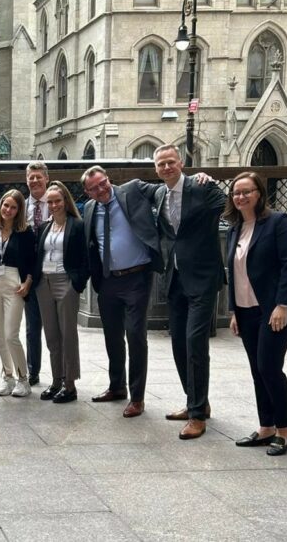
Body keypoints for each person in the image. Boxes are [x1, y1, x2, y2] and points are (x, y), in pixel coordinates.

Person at [225, 171, 287, 456]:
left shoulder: (277, 222)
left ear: (259, 193)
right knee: (257, 370)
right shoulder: (235, 227)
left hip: (274, 310)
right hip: (246, 311)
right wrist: (234, 311)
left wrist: (282, 304)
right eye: (236, 192)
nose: (241, 197)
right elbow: (234, 273)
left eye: (247, 191)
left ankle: (285, 429)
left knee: (270, 368)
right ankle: (266, 427)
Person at [149, 145, 227, 440]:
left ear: (180, 163)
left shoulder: (201, 187)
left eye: (171, 162)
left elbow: (229, 205)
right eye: (161, 164)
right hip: (175, 279)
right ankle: (196, 401)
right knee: (179, 343)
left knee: (196, 343)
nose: (167, 167)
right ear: (156, 169)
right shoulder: (159, 194)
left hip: (203, 277)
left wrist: (209, 178)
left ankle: (197, 416)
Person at [81, 165, 164, 418]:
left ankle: (137, 398)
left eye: (103, 183)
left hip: (137, 277)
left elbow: (166, 190)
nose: (101, 190)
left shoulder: (132, 190)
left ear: (109, 179)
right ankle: (117, 386)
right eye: (94, 188)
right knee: (112, 336)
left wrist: (195, 179)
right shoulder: (89, 208)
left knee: (135, 336)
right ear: (87, 192)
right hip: (108, 281)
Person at [0, 189, 36, 397]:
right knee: (0, 336)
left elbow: (32, 262)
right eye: (5, 205)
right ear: (0, 205)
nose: (8, 210)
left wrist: (28, 281)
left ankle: (23, 379)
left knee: (11, 335)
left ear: (19, 210)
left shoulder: (26, 233)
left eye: (13, 207)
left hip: (14, 284)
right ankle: (8, 377)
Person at [34, 181, 88, 404]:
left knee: (68, 335)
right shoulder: (45, 227)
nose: (54, 205)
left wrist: (76, 284)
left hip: (65, 282)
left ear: (65, 201)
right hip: (43, 284)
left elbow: (86, 257)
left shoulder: (76, 225)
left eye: (57, 200)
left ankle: (70, 384)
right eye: (50, 202)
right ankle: (56, 381)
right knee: (52, 336)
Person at [23, 161, 51, 386]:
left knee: (57, 328)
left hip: (54, 275)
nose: (34, 181)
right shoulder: (19, 208)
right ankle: (32, 371)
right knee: (32, 328)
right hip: (28, 278)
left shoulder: (57, 204)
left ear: (46, 178)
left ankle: (62, 374)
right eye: (31, 177)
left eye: (38, 177)